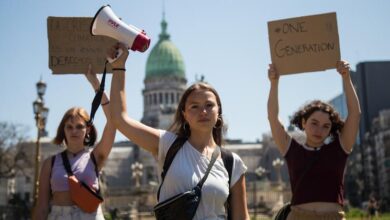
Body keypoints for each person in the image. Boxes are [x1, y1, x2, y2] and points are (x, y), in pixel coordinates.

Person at [109, 43, 250, 220]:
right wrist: (118, 66)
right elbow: (119, 119)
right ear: (183, 113)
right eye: (194, 106)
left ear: (218, 112)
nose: (203, 112)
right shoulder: (168, 145)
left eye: (209, 105)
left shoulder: (232, 163)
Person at [267, 60, 361, 220]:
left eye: (326, 126)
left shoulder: (340, 148)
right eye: (314, 123)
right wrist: (274, 83)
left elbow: (355, 113)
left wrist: (346, 78)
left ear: (331, 129)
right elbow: (273, 118)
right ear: (303, 122)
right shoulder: (292, 149)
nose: (319, 130)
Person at [33, 65, 116, 220]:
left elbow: (113, 121)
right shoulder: (49, 164)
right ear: (63, 129)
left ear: (88, 130)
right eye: (69, 127)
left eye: (79, 126)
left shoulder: (95, 157)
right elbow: (42, 206)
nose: (74, 131)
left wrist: (97, 86)